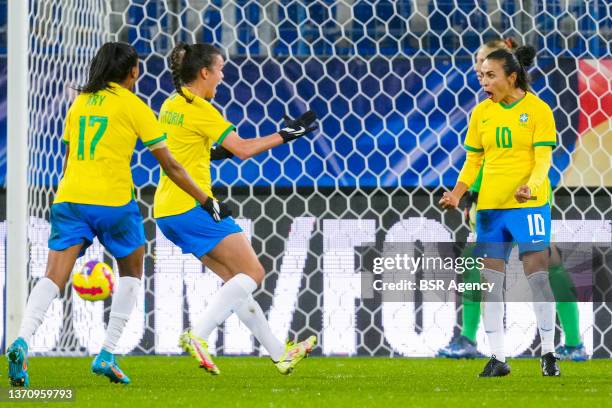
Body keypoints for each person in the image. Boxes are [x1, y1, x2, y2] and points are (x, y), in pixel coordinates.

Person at [6, 42, 218, 386]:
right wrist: (205, 200)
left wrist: (67, 197)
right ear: (133, 71)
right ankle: (107, 352)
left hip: (69, 198)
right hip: (113, 202)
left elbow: (69, 156)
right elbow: (172, 166)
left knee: (52, 276)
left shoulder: (79, 103)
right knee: (133, 269)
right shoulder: (134, 106)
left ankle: (21, 341)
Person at [153, 42, 318, 375]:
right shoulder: (201, 109)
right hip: (192, 205)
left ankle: (279, 354)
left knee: (235, 283)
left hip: (167, 209)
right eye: (220, 69)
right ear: (204, 72)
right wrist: (287, 135)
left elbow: (185, 149)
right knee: (253, 274)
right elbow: (242, 149)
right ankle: (198, 335)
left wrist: (215, 154)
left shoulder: (171, 103)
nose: (223, 76)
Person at [437, 39, 587, 361]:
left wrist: (528, 187)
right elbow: (478, 160)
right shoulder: (483, 113)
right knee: (479, 267)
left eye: (486, 67)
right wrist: (466, 197)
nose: (480, 74)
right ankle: (471, 340)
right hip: (489, 202)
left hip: (527, 199)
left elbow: (539, 159)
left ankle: (571, 342)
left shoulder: (533, 110)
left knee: (546, 266)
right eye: (479, 68)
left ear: (508, 73)